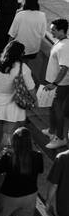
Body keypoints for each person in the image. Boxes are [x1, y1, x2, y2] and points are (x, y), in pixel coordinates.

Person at [0, 41, 36, 150]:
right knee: (8, 133)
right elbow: (31, 89)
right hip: (13, 105)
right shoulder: (23, 68)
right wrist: (35, 100)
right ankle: (2, 154)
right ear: (21, 54)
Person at [43, 18, 69, 149]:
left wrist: (54, 83)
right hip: (55, 83)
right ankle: (52, 131)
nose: (51, 31)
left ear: (61, 31)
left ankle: (60, 138)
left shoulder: (64, 46)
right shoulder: (60, 42)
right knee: (52, 107)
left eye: (53, 29)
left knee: (58, 109)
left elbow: (64, 68)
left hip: (60, 85)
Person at [8, 0, 47, 66]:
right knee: (24, 63)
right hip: (33, 49)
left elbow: (12, 33)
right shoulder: (42, 15)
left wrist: (7, 48)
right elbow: (42, 34)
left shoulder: (20, 15)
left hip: (18, 49)